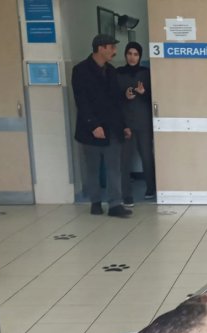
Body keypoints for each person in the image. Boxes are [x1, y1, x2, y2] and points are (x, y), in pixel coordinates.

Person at [71, 34, 132, 218]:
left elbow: (116, 103)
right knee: (93, 168)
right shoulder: (80, 70)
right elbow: (82, 101)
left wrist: (124, 125)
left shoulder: (111, 71)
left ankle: (115, 204)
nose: (114, 51)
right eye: (111, 47)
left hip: (112, 127)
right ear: (100, 48)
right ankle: (95, 202)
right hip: (90, 129)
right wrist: (93, 125)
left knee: (114, 167)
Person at [117, 41, 156, 206]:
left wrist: (143, 92)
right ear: (125, 55)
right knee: (124, 159)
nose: (132, 57)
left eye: (136, 54)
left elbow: (154, 98)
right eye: (129, 54)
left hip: (144, 120)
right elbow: (113, 98)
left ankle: (151, 188)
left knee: (147, 156)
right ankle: (126, 194)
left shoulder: (146, 73)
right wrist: (124, 95)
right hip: (125, 121)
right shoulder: (118, 73)